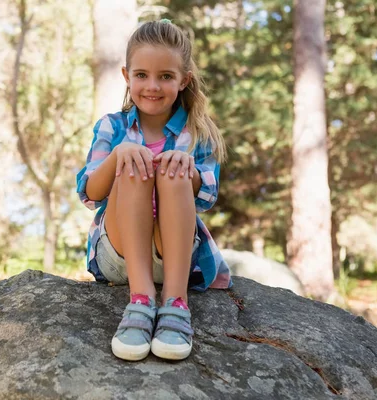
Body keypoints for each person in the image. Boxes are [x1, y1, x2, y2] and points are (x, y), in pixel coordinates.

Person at [76, 19, 233, 362]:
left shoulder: (197, 133)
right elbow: (89, 193)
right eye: (141, 75)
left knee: (173, 170)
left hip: (173, 255)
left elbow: (207, 197)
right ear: (126, 76)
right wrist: (119, 155)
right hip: (119, 256)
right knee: (133, 165)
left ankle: (176, 303)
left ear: (183, 80)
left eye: (165, 76)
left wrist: (187, 169)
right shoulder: (112, 126)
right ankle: (141, 299)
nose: (152, 86)